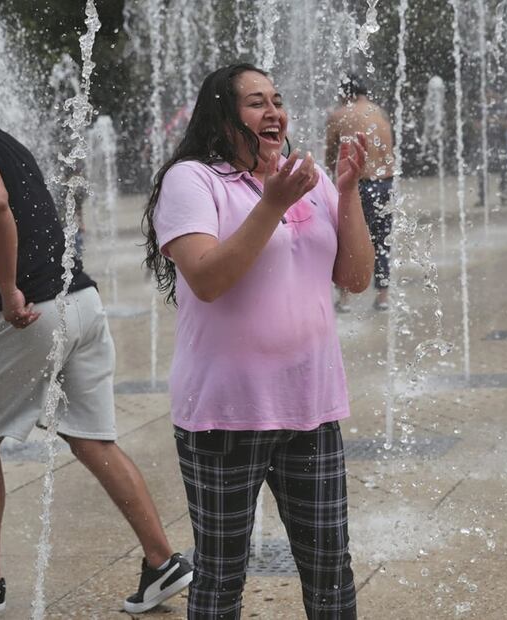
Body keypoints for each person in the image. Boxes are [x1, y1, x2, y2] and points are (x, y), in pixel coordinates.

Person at [0, 68, 191, 616]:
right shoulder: (1, 139)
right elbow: (17, 221)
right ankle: (162, 560)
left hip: (30, 315)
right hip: (80, 302)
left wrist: (7, 291)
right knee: (93, 438)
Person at [143, 63, 373, 619]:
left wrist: (346, 194)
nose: (274, 112)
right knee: (221, 575)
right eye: (255, 103)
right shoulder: (193, 181)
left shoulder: (307, 178)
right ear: (222, 117)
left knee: (329, 570)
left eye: (277, 100)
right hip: (226, 412)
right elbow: (208, 278)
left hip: (310, 406)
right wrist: (270, 204)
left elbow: (356, 278)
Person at [326, 73, 394, 312]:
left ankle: (344, 299)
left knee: (345, 238)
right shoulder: (380, 112)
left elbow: (331, 155)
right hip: (386, 183)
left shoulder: (339, 115)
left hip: (358, 184)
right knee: (382, 239)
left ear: (345, 93)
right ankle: (383, 296)